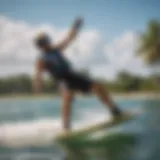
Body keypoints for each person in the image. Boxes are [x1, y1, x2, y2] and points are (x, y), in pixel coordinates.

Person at [34, 17, 122, 131]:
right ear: (39, 46)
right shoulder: (41, 59)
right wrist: (38, 86)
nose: (45, 44)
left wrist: (76, 26)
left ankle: (114, 110)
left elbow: (69, 38)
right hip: (61, 80)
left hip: (71, 75)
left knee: (97, 85)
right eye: (42, 43)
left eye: (46, 41)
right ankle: (66, 127)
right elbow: (38, 74)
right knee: (67, 96)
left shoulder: (56, 49)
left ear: (48, 41)